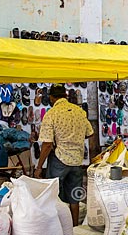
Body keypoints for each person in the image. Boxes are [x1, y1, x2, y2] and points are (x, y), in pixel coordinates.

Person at [34, 84, 93, 226]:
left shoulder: (52, 114)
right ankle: (74, 227)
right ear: (65, 96)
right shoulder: (79, 112)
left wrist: (39, 167)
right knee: (75, 197)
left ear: (52, 98)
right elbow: (90, 133)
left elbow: (47, 145)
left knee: (54, 197)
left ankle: (59, 228)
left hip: (59, 160)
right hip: (77, 160)